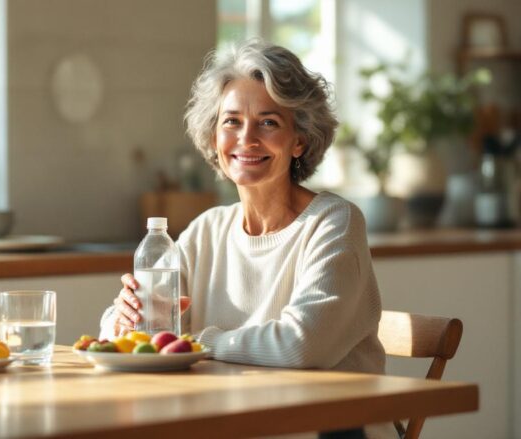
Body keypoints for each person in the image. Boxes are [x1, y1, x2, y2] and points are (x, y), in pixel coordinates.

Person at [99, 39, 396, 439]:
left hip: (328, 431)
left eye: (269, 122)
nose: (246, 139)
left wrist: (196, 341)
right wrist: (124, 320)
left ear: (300, 140)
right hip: (235, 423)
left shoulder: (334, 223)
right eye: (232, 121)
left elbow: (300, 345)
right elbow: (143, 333)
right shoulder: (207, 229)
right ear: (214, 136)